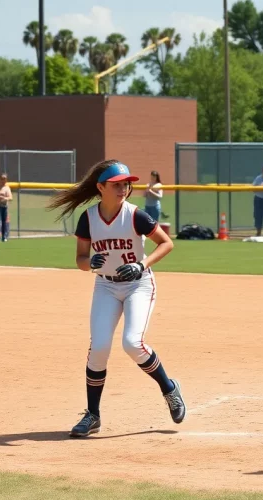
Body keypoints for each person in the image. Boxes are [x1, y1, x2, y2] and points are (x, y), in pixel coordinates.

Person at [46, 159, 186, 438]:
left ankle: (169, 389)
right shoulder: (89, 218)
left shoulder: (136, 215)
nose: (124, 189)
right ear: (101, 187)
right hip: (106, 287)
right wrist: (92, 263)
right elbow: (81, 261)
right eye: (117, 184)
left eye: (126, 184)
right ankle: (93, 415)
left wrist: (141, 264)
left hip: (138, 285)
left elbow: (167, 243)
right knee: (98, 348)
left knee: (132, 343)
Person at [0, 173, 13, 242]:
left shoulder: (7, 188)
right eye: (2, 179)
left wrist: (5, 198)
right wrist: (1, 197)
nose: (3, 180)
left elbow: (10, 197)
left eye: (5, 179)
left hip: (4, 207)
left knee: (4, 222)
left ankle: (4, 237)